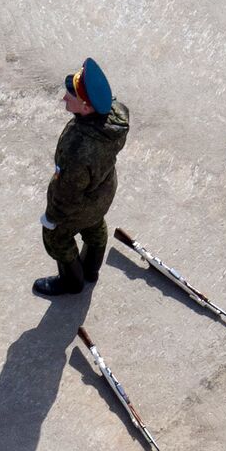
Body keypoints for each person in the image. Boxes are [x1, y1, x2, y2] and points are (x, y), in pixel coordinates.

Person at [34, 57, 130, 296]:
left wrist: (52, 217)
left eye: (71, 96)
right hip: (103, 190)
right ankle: (90, 270)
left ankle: (72, 283)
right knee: (95, 225)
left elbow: (67, 191)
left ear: (86, 108)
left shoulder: (78, 148)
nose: (64, 98)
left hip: (80, 200)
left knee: (56, 237)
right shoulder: (116, 115)